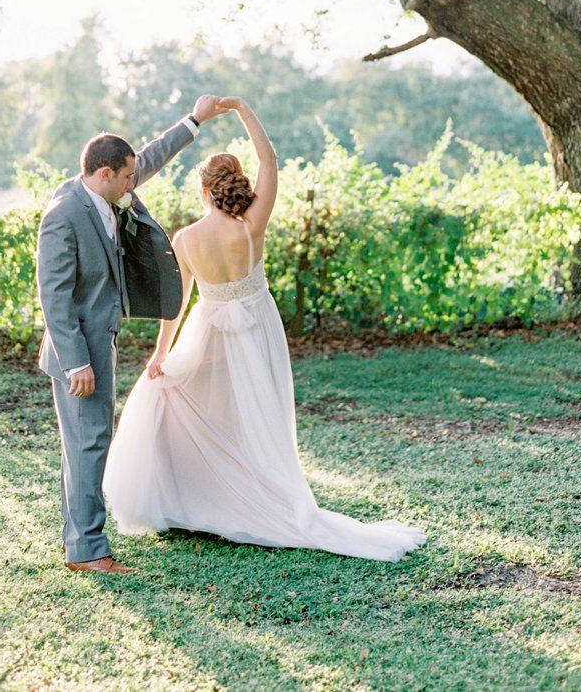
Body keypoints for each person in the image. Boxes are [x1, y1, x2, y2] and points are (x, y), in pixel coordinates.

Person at [103, 97, 426, 561]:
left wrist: (160, 355)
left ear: (203, 191)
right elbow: (269, 158)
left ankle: (203, 496)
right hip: (257, 326)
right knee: (259, 417)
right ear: (236, 184)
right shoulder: (252, 225)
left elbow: (175, 305)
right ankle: (249, 493)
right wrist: (241, 109)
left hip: (206, 330)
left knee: (197, 405)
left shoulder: (185, 239)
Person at [36, 95, 227, 575]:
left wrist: (195, 120)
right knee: (90, 441)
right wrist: (77, 362)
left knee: (83, 442)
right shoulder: (64, 215)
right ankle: (89, 551)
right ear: (104, 174)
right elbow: (53, 296)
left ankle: (77, 539)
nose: (132, 183)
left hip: (101, 339)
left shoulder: (102, 189)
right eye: (126, 177)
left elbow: (152, 156)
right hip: (79, 350)